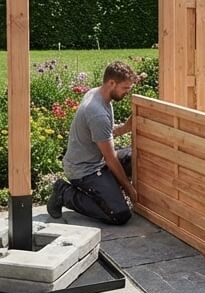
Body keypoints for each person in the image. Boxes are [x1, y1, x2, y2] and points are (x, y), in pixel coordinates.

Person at [46, 61, 139, 225]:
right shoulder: (97, 113)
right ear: (111, 83)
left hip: (96, 161)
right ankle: (64, 193)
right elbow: (110, 159)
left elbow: (104, 136)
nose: (126, 93)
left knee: (136, 156)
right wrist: (129, 188)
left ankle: (108, 190)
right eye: (125, 88)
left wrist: (125, 128)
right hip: (84, 170)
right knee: (119, 214)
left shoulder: (98, 94)